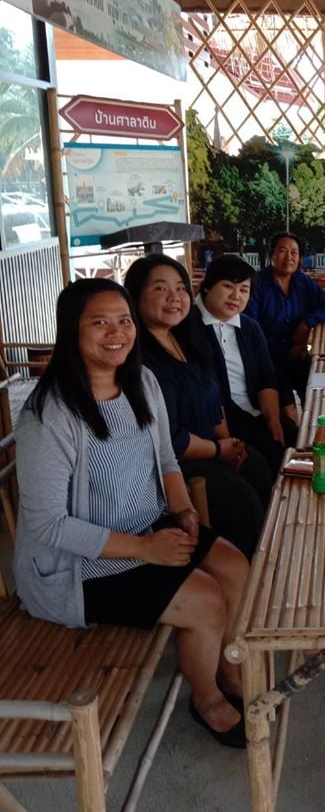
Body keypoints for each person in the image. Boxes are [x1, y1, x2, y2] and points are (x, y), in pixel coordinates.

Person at [13, 279, 249, 747]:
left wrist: (183, 511)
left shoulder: (141, 381)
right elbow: (47, 524)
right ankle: (206, 700)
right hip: (76, 567)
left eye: (124, 320)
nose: (116, 332)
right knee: (204, 599)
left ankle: (227, 670)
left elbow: (165, 458)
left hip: (146, 527)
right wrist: (144, 549)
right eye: (99, 322)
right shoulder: (50, 415)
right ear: (71, 330)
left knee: (235, 566)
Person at [124, 254, 273, 560]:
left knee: (258, 466)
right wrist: (218, 450)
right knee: (240, 501)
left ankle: (268, 557)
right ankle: (247, 571)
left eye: (180, 288)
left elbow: (215, 400)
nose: (174, 297)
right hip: (175, 464)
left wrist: (229, 443)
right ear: (136, 295)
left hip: (212, 447)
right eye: (161, 289)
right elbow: (170, 438)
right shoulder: (139, 360)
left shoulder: (188, 341)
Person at [195, 254, 298, 475]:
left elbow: (266, 376)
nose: (236, 296)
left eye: (244, 290)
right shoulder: (190, 327)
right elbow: (206, 393)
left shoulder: (249, 327)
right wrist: (226, 439)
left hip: (254, 412)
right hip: (219, 422)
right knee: (267, 461)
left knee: (296, 440)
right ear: (207, 286)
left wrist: (273, 419)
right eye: (228, 286)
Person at [245, 231, 325, 408]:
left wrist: (307, 322)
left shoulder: (302, 281)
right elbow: (251, 332)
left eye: (294, 252)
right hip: (268, 359)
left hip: (299, 355)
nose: (289, 257)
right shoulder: (257, 285)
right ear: (271, 254)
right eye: (283, 251)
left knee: (319, 397)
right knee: (288, 410)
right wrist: (286, 351)